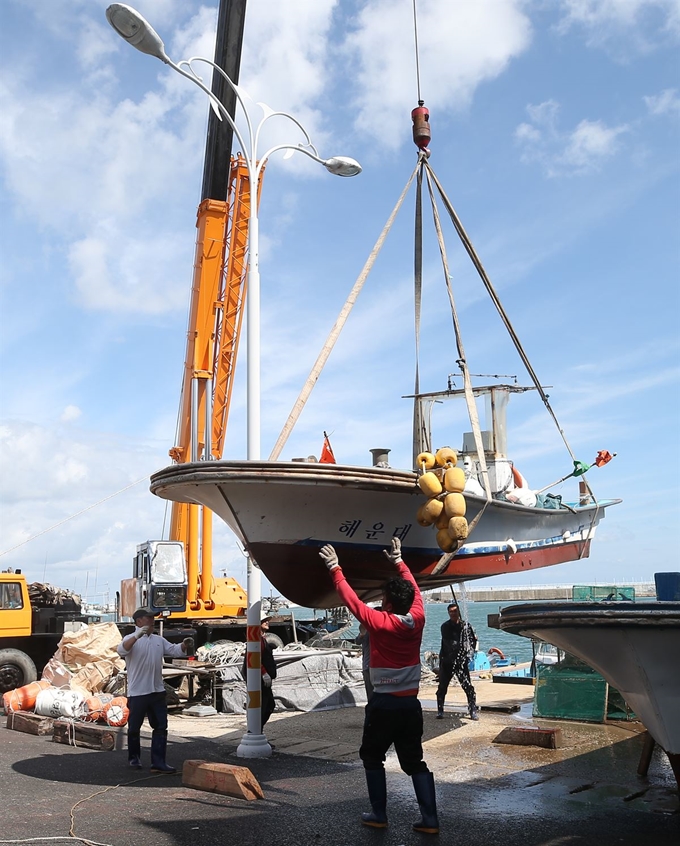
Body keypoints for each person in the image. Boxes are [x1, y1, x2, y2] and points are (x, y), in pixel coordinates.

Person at [319, 538, 439, 836]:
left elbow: (352, 602)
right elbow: (414, 589)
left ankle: (379, 814)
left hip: (383, 705)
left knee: (372, 757)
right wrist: (399, 562)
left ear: (387, 602)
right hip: (411, 706)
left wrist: (335, 568)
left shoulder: (380, 622)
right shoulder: (419, 618)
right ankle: (430, 819)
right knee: (415, 762)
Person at [116, 607, 193, 772]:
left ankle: (158, 762)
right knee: (134, 728)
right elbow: (122, 649)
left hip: (157, 691)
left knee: (160, 727)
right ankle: (134, 759)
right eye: (148, 618)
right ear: (138, 621)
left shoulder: (158, 640)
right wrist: (137, 635)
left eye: (152, 618)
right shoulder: (131, 638)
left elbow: (174, 650)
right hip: (138, 692)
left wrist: (184, 644)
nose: (152, 621)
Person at [436, 602, 479, 720]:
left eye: (455, 611)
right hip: (447, 661)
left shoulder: (466, 626)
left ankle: (472, 710)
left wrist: (469, 651)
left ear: (458, 612)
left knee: (468, 687)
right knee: (442, 687)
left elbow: (472, 641)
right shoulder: (445, 626)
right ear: (448, 613)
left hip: (461, 661)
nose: (453, 614)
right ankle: (440, 710)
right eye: (451, 612)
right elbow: (450, 642)